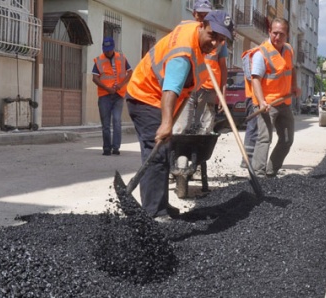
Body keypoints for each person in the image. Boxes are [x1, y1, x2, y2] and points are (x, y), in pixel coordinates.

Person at [125, 11, 234, 221]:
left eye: (221, 40)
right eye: (212, 35)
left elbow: (185, 88)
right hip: (145, 96)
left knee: (164, 153)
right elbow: (171, 89)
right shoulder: (183, 53)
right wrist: (167, 124)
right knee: (155, 153)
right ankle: (154, 213)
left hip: (155, 95)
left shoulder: (197, 38)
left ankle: (161, 204)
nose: (215, 43)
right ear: (202, 24)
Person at [246, 17, 301, 177]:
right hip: (266, 104)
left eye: (281, 34)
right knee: (264, 138)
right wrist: (262, 101)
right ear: (269, 31)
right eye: (275, 33)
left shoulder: (289, 50)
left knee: (287, 139)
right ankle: (258, 174)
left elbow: (293, 69)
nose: (277, 37)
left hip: (283, 102)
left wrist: (294, 86)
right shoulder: (261, 53)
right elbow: (255, 79)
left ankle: (271, 171)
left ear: (287, 35)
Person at [173, 0, 228, 135]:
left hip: (209, 88)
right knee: (182, 125)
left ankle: (198, 154)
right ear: (194, 14)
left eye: (206, 15)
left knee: (204, 129)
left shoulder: (219, 39)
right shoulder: (185, 34)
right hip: (189, 86)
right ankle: (178, 152)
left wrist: (222, 94)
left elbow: (223, 67)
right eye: (200, 15)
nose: (202, 18)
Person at [92, 37, 133, 156]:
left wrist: (121, 85)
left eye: (109, 49)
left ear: (113, 48)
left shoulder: (121, 57)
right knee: (105, 124)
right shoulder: (99, 60)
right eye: (106, 50)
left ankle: (116, 148)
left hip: (118, 95)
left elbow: (130, 72)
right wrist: (107, 89)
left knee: (116, 121)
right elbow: (94, 78)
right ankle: (106, 148)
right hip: (105, 96)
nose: (108, 52)